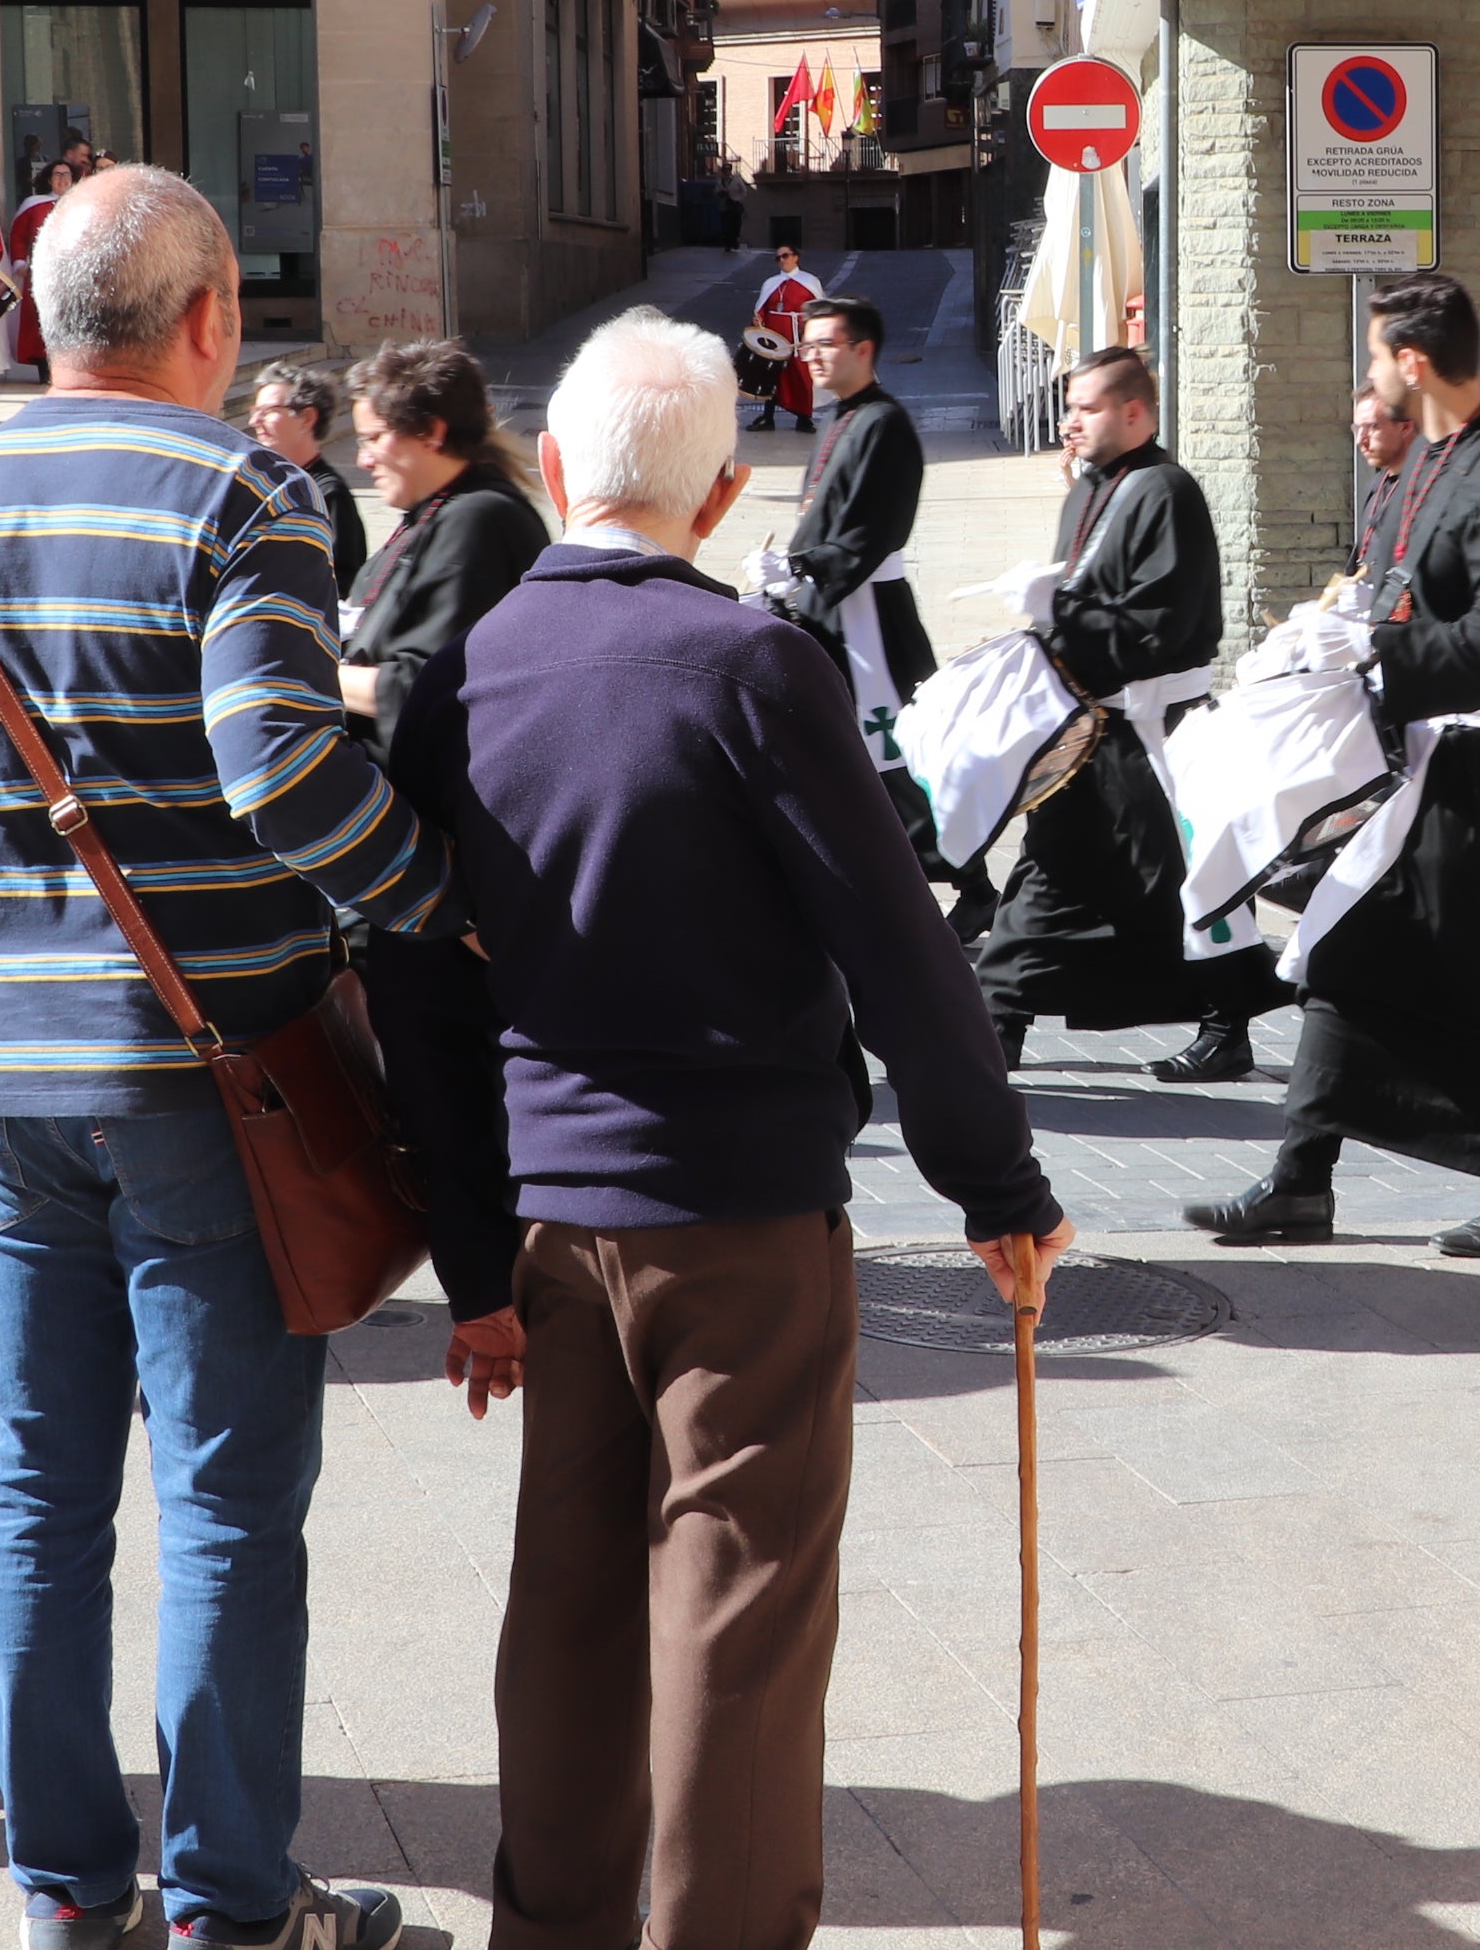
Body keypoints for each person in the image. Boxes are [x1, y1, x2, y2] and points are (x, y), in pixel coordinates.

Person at [0, 167, 464, 1950]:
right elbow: (281, 764)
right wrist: (428, 900)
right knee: (232, 1502)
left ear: (32, 318)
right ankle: (233, 1905)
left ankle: (66, 1896)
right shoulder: (249, 489)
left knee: (36, 1486)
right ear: (211, 317)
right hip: (206, 1081)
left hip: (2, 1087)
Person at [364, 307, 1064, 1950]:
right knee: (733, 1621)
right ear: (723, 492)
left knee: (570, 1598)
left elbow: (418, 995)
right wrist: (996, 1183)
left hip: (544, 1217)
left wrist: (470, 1259)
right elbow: (899, 948)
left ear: (547, 466)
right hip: (740, 1215)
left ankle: (548, 1932)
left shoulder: (458, 674)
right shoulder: (754, 666)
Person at [1185, 273, 1480, 1258]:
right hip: (1414, 763)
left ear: (1413, 363)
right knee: (1340, 952)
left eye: (1374, 358)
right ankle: (1300, 1181)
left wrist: (1382, 664)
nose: (1369, 375)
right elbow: (1392, 589)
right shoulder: (1433, 461)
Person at [976, 346, 1287, 1085]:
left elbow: (1161, 627)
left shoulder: (1165, 492)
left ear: (1134, 413)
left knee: (1184, 880)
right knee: (1052, 871)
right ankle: (996, 1021)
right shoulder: (1092, 488)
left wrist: (1062, 612)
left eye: (1085, 407)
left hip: (1151, 730)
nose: (1069, 421)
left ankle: (1223, 1022)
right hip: (1092, 724)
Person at [770, 293, 984, 931]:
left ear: (863, 349)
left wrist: (806, 569)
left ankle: (968, 882)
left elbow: (874, 530)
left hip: (869, 617)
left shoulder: (884, 423)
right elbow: (820, 516)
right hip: (830, 608)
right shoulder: (840, 419)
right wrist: (786, 574)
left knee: (896, 753)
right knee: (848, 754)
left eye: (825, 344)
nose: (811, 357)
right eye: (806, 346)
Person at [336, 340, 548, 739]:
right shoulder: (436, 510)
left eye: (373, 438)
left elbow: (424, 688)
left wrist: (304, 673)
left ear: (431, 432)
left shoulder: (478, 521)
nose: (362, 459)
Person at [247, 364, 370, 602]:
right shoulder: (262, 486)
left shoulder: (329, 495)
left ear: (307, 418)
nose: (255, 421)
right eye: (255, 410)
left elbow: (341, 584)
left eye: (268, 410)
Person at [4, 156, 73, 376]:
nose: (62, 179)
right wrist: (19, 261)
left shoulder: (82, 202)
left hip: (74, 273)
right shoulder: (34, 205)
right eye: (57, 174)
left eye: (67, 175)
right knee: (40, 320)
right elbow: (18, 235)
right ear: (49, 179)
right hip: (42, 272)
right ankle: (45, 368)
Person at [748, 242, 822, 430]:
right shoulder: (771, 283)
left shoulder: (809, 281)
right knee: (771, 375)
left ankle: (804, 418)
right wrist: (759, 320)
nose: (781, 260)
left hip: (797, 336)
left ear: (795, 257)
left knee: (801, 375)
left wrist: (809, 330)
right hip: (773, 336)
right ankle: (768, 418)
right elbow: (762, 308)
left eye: (785, 256)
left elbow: (818, 310)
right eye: (778, 257)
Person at [1350, 381, 1415, 579]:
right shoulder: (1375, 487)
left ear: (1405, 427)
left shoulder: (1427, 489)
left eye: (1372, 427)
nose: (1360, 439)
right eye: (1357, 429)